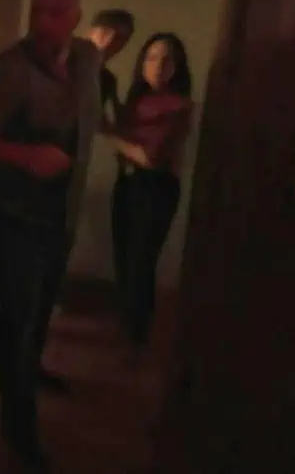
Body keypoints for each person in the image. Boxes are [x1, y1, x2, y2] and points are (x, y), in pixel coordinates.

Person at [0, 0, 101, 471]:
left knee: (42, 308)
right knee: (16, 317)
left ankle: (31, 371)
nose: (42, 22)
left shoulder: (88, 58)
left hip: (63, 212)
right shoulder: (8, 71)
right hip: (16, 218)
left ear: (77, 16)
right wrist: (25, 156)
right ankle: (19, 426)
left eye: (56, 12)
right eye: (37, 10)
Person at [102, 33, 193, 361]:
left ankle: (136, 339)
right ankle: (126, 332)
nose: (157, 66)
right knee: (124, 259)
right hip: (127, 184)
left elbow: (149, 157)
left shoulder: (180, 105)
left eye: (166, 60)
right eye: (151, 58)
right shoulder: (137, 99)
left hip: (155, 188)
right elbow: (127, 134)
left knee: (141, 263)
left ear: (177, 67)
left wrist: (104, 129)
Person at [85, 8, 136, 123]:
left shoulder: (108, 80)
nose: (109, 41)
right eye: (105, 32)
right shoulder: (60, 63)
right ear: (90, 32)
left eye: (119, 38)